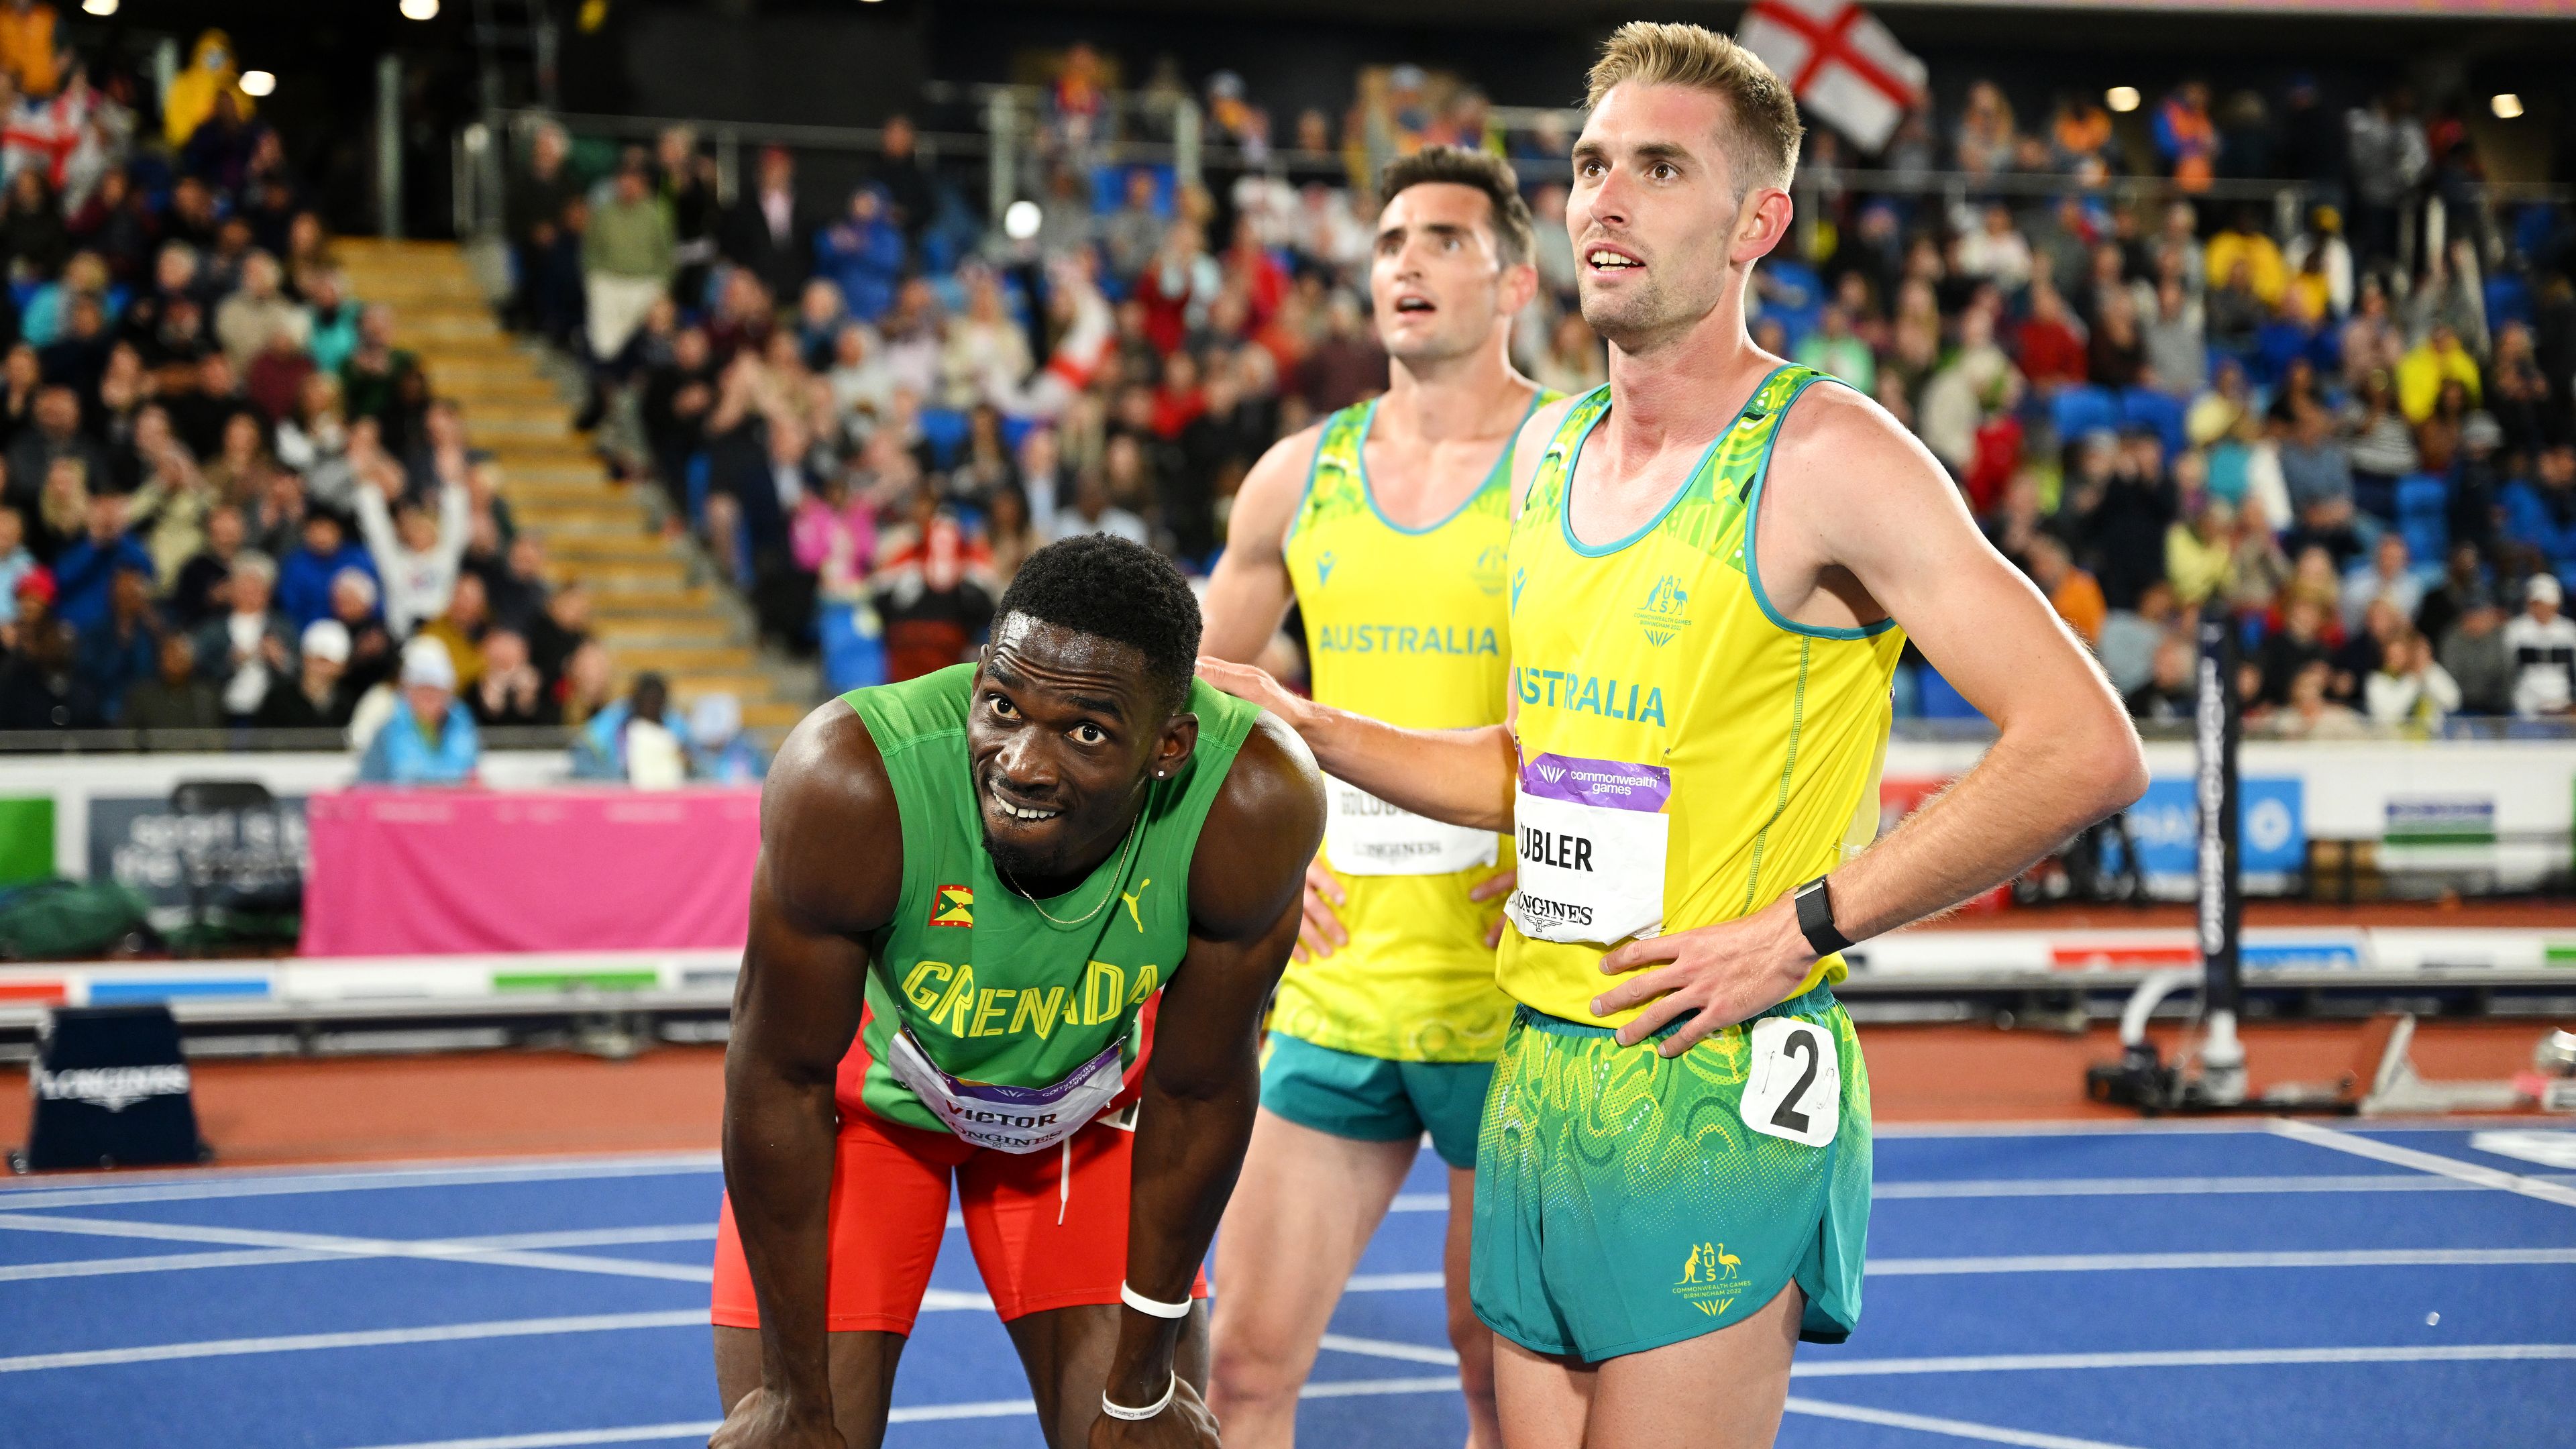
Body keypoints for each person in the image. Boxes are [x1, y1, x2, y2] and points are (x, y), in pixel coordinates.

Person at [1199, 26, 2147, 1448]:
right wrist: (1311, 725)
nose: (1605, 200)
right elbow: (1529, 775)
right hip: (1540, 1068)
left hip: (1710, 1084)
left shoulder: (1829, 458)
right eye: (1589, 165)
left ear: (1757, 220)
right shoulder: (1555, 456)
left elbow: (2084, 747)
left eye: (1658, 167)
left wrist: (1805, 927)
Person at [706, 535, 1325, 1449]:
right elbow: (777, 1078)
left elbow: (1197, 1094)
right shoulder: (850, 779)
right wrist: (794, 1397)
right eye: (1001, 706)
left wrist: (1145, 1384)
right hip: (864, 1117)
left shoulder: (1252, 802)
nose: (1022, 764)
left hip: (1085, 1123)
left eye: (1085, 732)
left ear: (1170, 746)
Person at [1195, 144, 1551, 1449]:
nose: (1407, 259)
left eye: (1445, 240)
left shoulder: (1573, 464)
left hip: (1514, 989)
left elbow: (1642, 701)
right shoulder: (1301, 473)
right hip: (1340, 987)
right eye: (1393, 239)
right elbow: (1196, 699)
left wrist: (1568, 848)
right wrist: (1254, 861)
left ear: (1516, 280)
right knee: (1241, 1371)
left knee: (1497, 1381)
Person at [357, 637, 480, 784]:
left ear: (448, 692)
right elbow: (366, 785)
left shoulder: (463, 728)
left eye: (435, 690)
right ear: (408, 692)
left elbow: (472, 776)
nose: (428, 697)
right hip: (399, 806)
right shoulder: (387, 731)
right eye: (421, 689)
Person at [252, 619, 357, 730]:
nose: (317, 668)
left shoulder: (348, 705)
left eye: (325, 662)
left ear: (342, 668)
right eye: (312, 659)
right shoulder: (277, 701)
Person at [2505, 573, 2576, 718]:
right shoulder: (2515, 629)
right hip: (2525, 698)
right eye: (2538, 604)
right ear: (2530, 603)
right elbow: (2507, 669)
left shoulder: (2569, 630)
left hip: (2561, 696)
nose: (2543, 610)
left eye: (2548, 605)